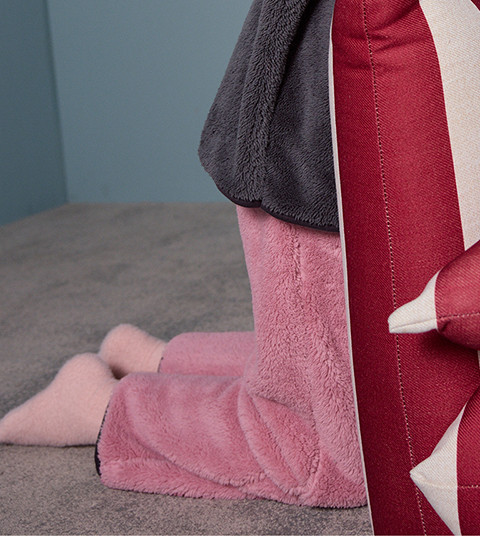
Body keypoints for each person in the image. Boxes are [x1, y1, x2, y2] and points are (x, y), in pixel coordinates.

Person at [0, 0, 365, 507]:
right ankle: (101, 404)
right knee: (326, 454)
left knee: (371, 369)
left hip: (362, 130)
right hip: (309, 144)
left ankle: (153, 358)